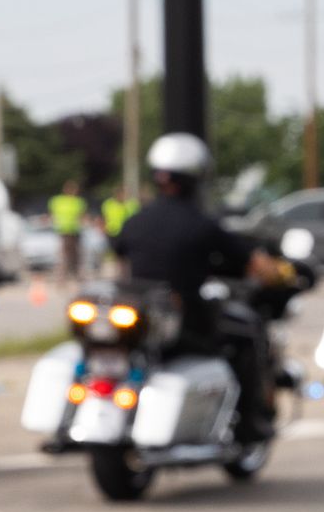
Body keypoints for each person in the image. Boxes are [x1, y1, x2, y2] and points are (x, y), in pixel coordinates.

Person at [113, 133, 290, 441]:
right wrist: (284, 274)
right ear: (197, 177)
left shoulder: (135, 221)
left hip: (138, 320)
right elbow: (256, 265)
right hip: (186, 323)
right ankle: (250, 424)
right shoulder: (202, 224)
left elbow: (121, 262)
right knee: (247, 332)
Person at [48, 180, 88, 278]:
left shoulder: (78, 202)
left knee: (76, 255)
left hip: (75, 231)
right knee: (63, 256)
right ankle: (62, 276)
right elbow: (52, 215)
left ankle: (76, 274)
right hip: (63, 231)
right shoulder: (57, 201)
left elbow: (82, 216)